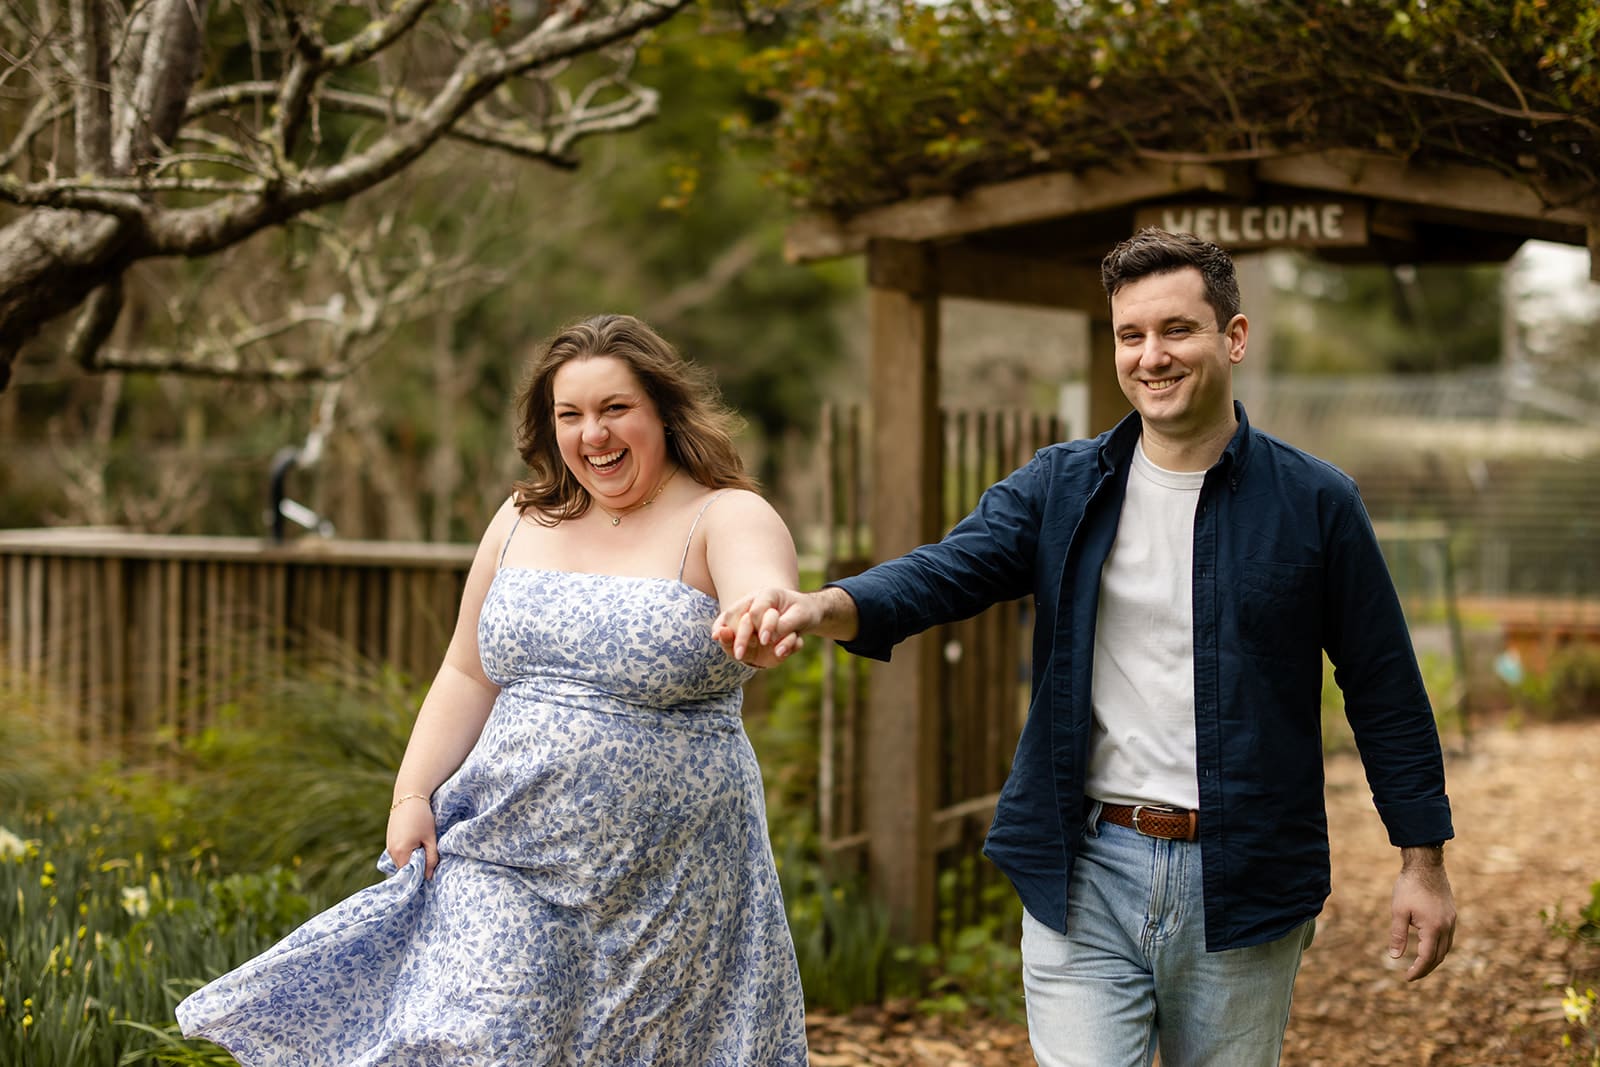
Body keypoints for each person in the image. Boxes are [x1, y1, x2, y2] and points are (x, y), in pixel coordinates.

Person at [715, 229, 1457, 1066]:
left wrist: (1420, 863)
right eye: (1130, 334)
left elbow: (1385, 687)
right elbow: (945, 571)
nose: (1152, 356)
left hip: (1245, 875)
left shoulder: (1317, 502)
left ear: (1234, 337)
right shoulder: (1063, 485)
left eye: (1177, 329)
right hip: (1086, 870)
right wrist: (825, 604)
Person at [178, 314, 809, 1065]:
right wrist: (411, 793)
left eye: (615, 408)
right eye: (569, 414)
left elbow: (761, 586)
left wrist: (762, 614)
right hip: (505, 845)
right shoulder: (521, 518)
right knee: (484, 1033)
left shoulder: (724, 514)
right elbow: (466, 670)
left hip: (667, 876)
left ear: (662, 412)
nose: (592, 434)